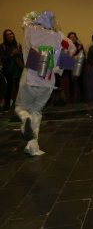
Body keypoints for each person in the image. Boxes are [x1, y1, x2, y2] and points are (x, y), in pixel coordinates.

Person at [14, 11, 75, 155]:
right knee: (37, 111)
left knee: (20, 107)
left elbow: (25, 22)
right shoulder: (59, 36)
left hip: (30, 77)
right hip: (48, 82)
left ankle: (25, 118)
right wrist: (59, 64)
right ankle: (33, 146)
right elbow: (72, 48)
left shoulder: (31, 31)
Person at [0, 29, 24, 112]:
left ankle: (17, 104)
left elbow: (22, 57)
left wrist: (18, 53)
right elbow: (2, 58)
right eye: (7, 35)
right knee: (9, 87)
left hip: (17, 69)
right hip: (7, 70)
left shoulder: (18, 45)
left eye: (11, 34)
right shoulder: (2, 46)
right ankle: (6, 105)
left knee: (18, 86)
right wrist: (12, 54)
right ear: (5, 37)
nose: (10, 36)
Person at [64, 32, 85, 103]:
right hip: (70, 67)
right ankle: (72, 99)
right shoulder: (66, 46)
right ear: (68, 38)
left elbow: (82, 54)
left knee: (80, 82)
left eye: (74, 37)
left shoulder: (79, 45)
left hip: (79, 66)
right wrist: (72, 57)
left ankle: (82, 97)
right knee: (71, 83)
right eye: (71, 37)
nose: (73, 38)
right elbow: (66, 56)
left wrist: (78, 53)